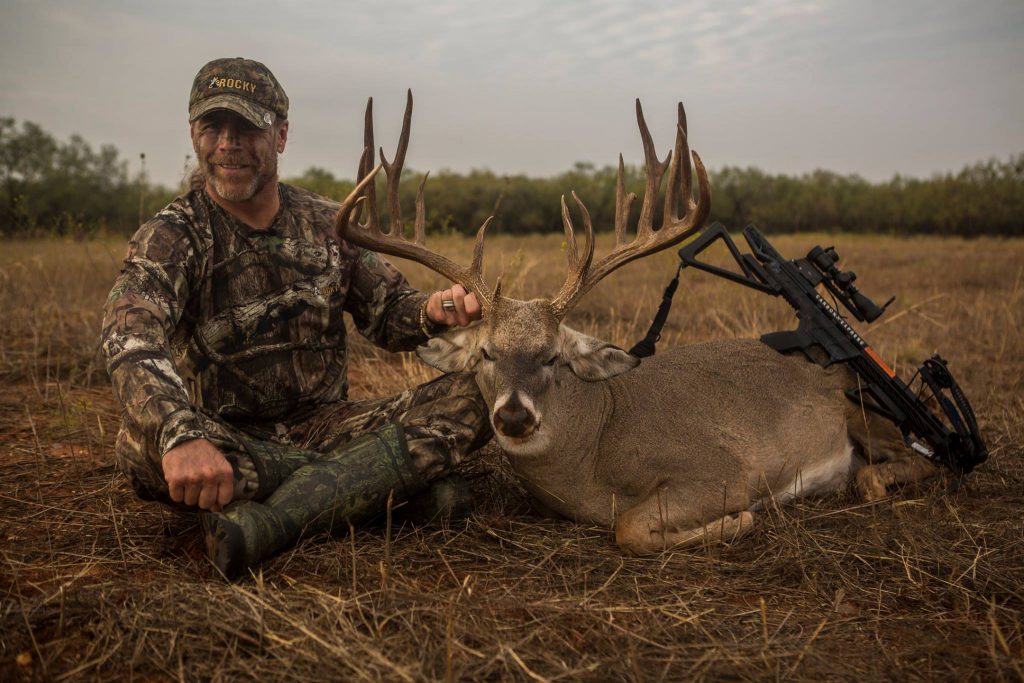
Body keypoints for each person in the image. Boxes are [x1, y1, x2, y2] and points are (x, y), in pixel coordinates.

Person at [100, 57, 492, 579]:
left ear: (280, 135)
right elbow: (129, 337)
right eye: (212, 127)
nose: (227, 144)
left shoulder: (330, 224)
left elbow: (390, 314)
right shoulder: (172, 235)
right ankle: (375, 488)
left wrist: (432, 310)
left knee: (483, 388)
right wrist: (179, 434)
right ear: (193, 133)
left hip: (330, 427)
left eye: (246, 127)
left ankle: (278, 519)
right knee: (137, 448)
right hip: (222, 440)